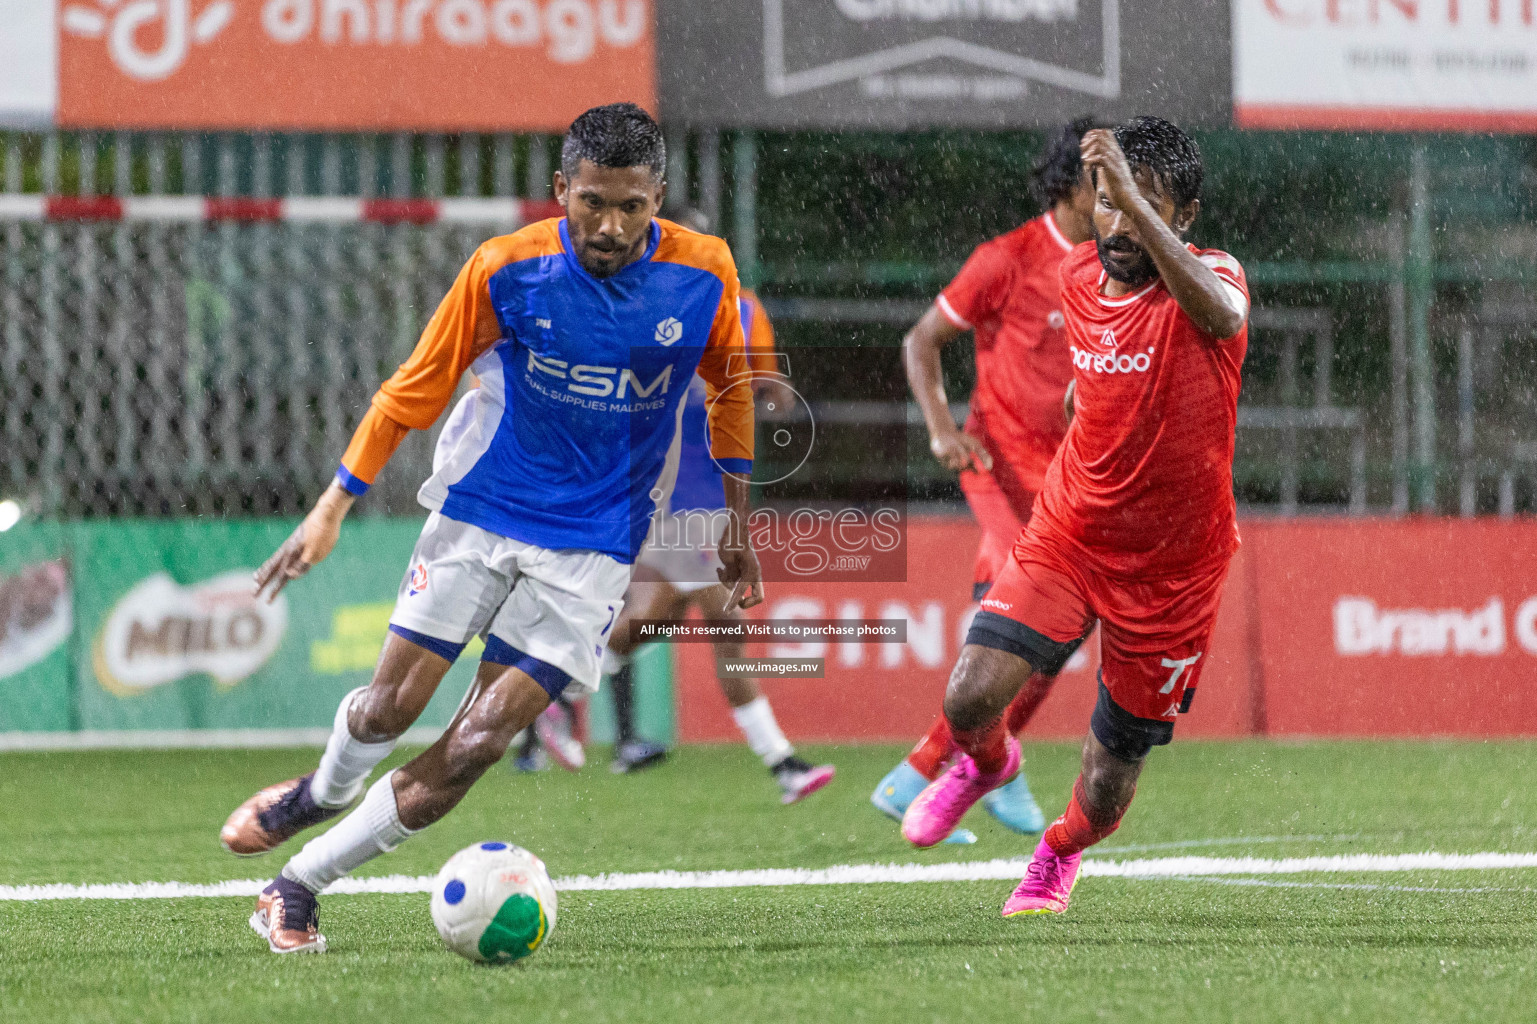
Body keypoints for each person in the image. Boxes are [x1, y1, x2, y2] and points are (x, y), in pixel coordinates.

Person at [220, 103, 764, 954]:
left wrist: (736, 523)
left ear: (657, 197)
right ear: (559, 191)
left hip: (592, 545)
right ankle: (317, 797)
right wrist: (334, 502)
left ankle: (297, 884)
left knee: (474, 745)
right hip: (480, 512)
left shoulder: (704, 274)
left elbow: (730, 396)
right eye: (591, 202)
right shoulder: (506, 269)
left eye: (631, 205)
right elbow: (413, 388)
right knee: (387, 710)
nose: (611, 226)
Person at [900, 116, 1249, 917]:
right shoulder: (1078, 280)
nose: (1118, 223)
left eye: (1141, 206)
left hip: (1172, 572)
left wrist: (1130, 192)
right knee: (966, 701)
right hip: (1069, 535)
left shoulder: (1216, 277)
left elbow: (1222, 321)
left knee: (1106, 777)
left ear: (1183, 216)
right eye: (1106, 204)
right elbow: (1094, 380)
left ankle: (1056, 851)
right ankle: (988, 767)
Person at [870, 118, 1104, 842]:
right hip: (995, 464)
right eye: (1108, 182)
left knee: (1048, 624)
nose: (1124, 198)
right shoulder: (1007, 258)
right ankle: (919, 773)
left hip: (1064, 479)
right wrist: (941, 429)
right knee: (1037, 619)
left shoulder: (1112, 264)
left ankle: (993, 769)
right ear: (1071, 185)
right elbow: (920, 341)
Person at [601, 208, 834, 805]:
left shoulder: (741, 303)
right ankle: (783, 764)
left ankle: (556, 688)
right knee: (723, 621)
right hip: (672, 488)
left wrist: (769, 390)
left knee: (653, 621)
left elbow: (765, 380)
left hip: (713, 484)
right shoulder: (641, 303)